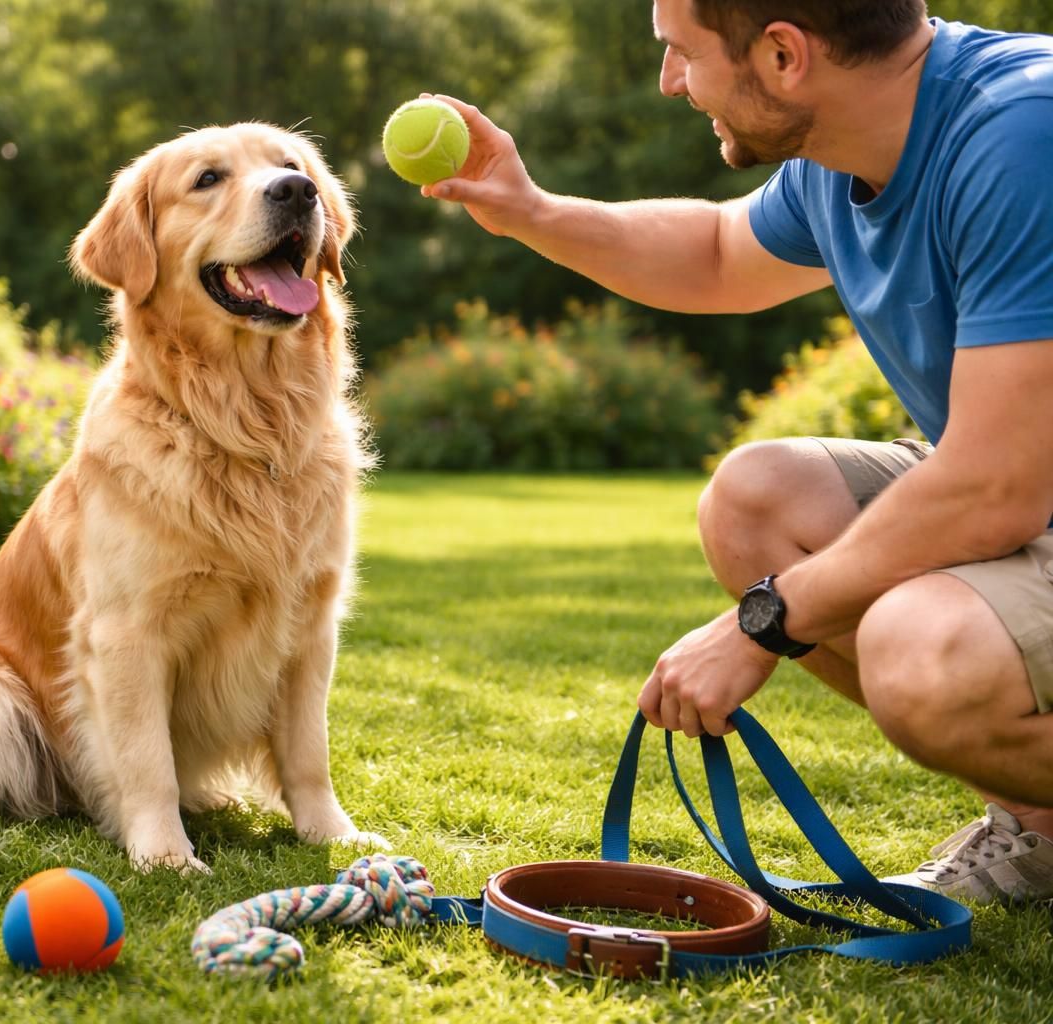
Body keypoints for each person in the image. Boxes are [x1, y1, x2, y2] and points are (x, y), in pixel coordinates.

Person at [422, 0, 1053, 904]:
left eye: (682, 52)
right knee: (756, 500)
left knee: (923, 655)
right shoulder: (845, 153)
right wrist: (532, 212)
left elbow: (996, 488)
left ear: (784, 55)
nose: (670, 82)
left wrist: (767, 619)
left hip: (1017, 487)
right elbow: (719, 253)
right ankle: (1041, 830)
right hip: (1028, 491)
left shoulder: (1022, 138)